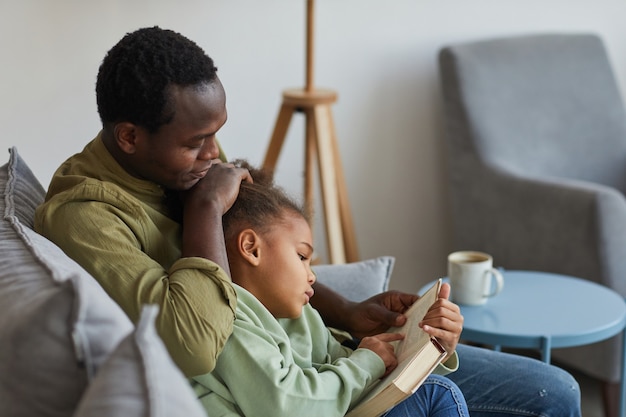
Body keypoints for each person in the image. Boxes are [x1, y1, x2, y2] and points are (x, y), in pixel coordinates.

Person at [34, 26, 581, 416]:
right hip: (296, 385)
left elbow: (259, 254)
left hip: (325, 356)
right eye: (195, 143)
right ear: (130, 136)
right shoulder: (88, 216)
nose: (215, 155)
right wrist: (204, 208)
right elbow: (194, 343)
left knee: (554, 388)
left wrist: (346, 310)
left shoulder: (180, 165)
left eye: (216, 133)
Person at [191, 160, 469, 416]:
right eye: (301, 257)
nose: (312, 276)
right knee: (438, 395)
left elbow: (352, 369)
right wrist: (366, 364)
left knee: (436, 390)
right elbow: (287, 406)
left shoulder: (302, 316)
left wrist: (429, 346)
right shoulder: (230, 324)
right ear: (251, 248)